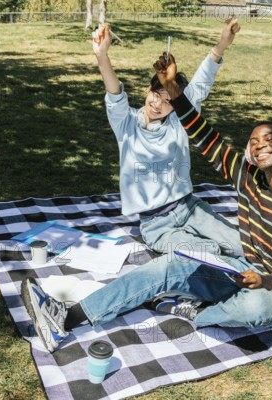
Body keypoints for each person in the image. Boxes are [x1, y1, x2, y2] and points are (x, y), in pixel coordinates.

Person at [21, 53, 272, 353]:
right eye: (254, 142)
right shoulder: (246, 178)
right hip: (236, 270)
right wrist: (171, 87)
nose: (260, 147)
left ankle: (195, 313)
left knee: (261, 306)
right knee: (169, 264)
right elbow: (203, 134)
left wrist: (266, 280)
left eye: (269, 140)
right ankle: (66, 316)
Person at [93, 19, 243, 257]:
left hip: (190, 208)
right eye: (155, 95)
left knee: (241, 247)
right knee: (209, 253)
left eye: (167, 101)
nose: (158, 104)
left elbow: (201, 83)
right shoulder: (126, 123)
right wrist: (102, 55)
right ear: (147, 90)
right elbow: (114, 91)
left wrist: (222, 43)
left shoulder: (178, 121)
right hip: (156, 226)